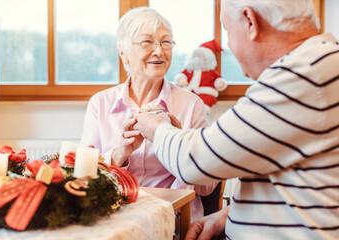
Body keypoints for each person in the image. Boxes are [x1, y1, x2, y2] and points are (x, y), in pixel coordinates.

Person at [133, 0, 339, 239]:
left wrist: (158, 128)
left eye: (228, 31)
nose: (229, 44)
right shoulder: (323, 63)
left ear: (250, 21)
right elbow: (306, 182)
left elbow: (196, 162)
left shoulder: (302, 76)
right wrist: (228, 215)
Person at [80, 6, 217, 222]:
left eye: (165, 42)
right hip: (115, 217)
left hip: (175, 219)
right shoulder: (100, 104)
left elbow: (207, 187)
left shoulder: (192, 105)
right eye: (147, 42)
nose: (159, 51)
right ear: (123, 53)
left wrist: (179, 147)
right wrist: (119, 154)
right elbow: (83, 178)